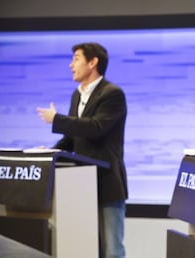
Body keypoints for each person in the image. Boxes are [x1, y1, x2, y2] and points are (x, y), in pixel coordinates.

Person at [37, 42, 128, 258]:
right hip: (80, 186)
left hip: (107, 183)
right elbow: (72, 138)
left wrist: (57, 119)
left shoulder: (112, 94)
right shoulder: (76, 95)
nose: (71, 65)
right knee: (86, 247)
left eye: (76, 58)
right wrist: (50, 153)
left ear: (93, 62)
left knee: (112, 250)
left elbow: (96, 128)